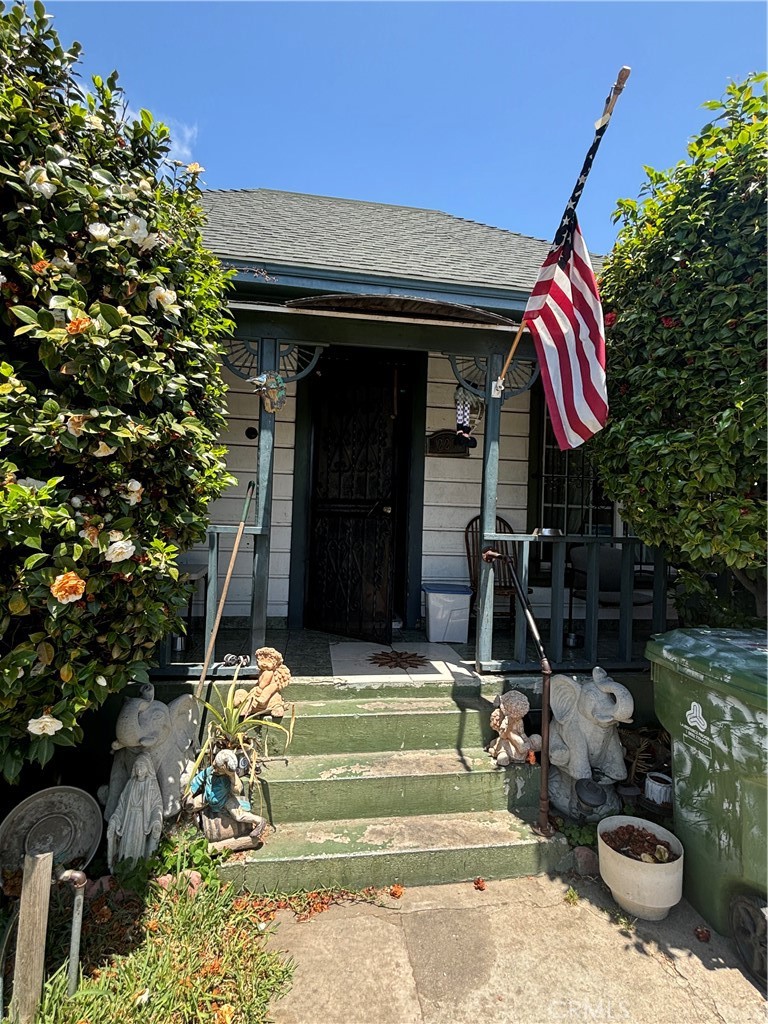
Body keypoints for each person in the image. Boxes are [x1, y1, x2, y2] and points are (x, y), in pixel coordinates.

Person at [188, 749, 267, 840]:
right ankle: (192, 827)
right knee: (191, 806)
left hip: (225, 800)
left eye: (218, 768)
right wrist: (191, 792)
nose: (215, 769)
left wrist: (232, 776)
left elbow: (237, 789)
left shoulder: (230, 776)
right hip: (207, 797)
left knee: (238, 816)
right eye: (215, 765)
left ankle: (259, 821)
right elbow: (198, 779)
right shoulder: (211, 770)